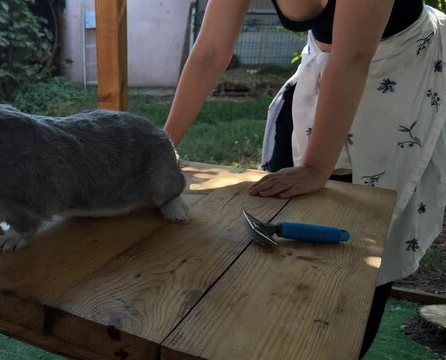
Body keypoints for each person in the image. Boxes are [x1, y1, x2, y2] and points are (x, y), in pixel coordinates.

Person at [164, 0, 446, 357]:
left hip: (405, 68)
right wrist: (162, 147)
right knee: (278, 207)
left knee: (365, 239)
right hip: (328, 68)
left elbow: (353, 59)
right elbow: (209, 52)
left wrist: (315, 167)